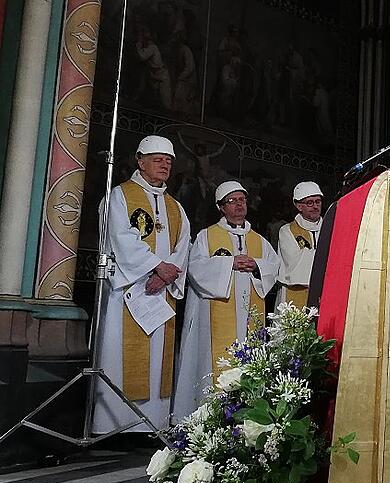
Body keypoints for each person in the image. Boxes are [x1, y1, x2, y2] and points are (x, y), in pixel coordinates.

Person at [92, 135, 190, 434]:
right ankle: (116, 425)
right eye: (158, 159)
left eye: (169, 161)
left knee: (158, 359)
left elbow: (183, 245)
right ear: (140, 161)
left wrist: (164, 275)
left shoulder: (176, 207)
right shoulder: (119, 196)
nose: (164, 165)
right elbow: (120, 238)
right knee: (121, 357)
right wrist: (155, 267)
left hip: (160, 293)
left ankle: (153, 425)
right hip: (130, 292)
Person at [173, 181, 280, 419]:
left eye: (242, 199)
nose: (239, 204)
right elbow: (196, 268)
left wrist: (257, 265)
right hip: (216, 315)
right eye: (232, 201)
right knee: (216, 364)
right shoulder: (207, 236)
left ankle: (248, 415)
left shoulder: (259, 240)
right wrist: (229, 263)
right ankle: (211, 417)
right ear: (221, 207)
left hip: (250, 313)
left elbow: (274, 267)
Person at [276, 181, 323, 306]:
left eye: (318, 201)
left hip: (324, 292)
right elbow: (294, 263)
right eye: (309, 202)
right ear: (298, 206)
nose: (315, 206)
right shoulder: (287, 230)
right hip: (294, 292)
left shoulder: (331, 228)